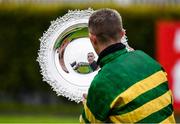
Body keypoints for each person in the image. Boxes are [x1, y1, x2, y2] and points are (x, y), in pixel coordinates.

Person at [80, 8, 175, 123]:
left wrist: (88, 104)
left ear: (92, 39)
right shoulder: (147, 59)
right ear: (122, 34)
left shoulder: (101, 83)